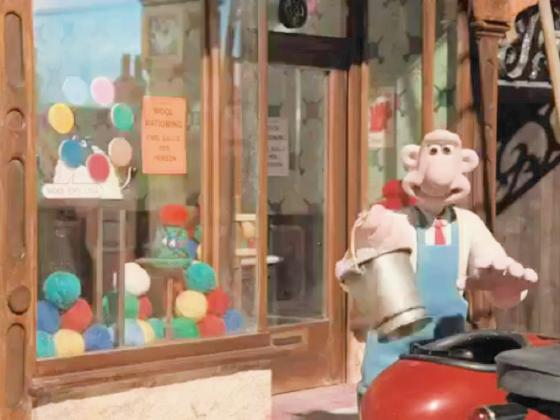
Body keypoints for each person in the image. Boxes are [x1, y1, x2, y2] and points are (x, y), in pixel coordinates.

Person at [336, 129, 539, 407]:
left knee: (443, 402)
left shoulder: (468, 224)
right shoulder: (396, 221)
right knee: (380, 398)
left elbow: (496, 271)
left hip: (448, 343)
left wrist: (505, 289)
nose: (439, 159)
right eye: (432, 151)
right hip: (393, 340)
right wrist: (364, 244)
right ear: (414, 160)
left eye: (447, 151)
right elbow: (349, 273)